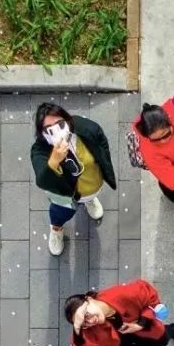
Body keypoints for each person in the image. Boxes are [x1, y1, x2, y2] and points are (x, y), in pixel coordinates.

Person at [31, 100, 116, 255]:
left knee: (91, 193)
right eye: (48, 130)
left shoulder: (84, 128)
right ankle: (56, 229)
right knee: (59, 213)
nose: (56, 132)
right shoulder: (40, 150)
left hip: (92, 184)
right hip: (65, 196)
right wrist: (54, 161)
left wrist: (105, 167)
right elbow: (42, 180)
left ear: (67, 120)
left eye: (59, 124)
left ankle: (89, 200)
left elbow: (101, 142)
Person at [65, 281, 174, 346]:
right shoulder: (88, 330)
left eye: (86, 314)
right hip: (120, 343)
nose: (91, 321)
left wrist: (141, 323)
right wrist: (77, 329)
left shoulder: (122, 294)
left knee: (162, 340)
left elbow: (151, 297)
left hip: (143, 327)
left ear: (89, 299)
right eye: (84, 323)